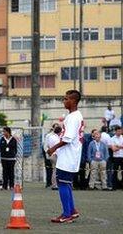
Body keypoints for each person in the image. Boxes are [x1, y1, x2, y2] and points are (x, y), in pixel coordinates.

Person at [47, 90, 84, 223]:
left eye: (66, 98)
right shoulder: (74, 115)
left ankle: (66, 214)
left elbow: (67, 139)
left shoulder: (73, 117)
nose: (64, 101)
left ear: (73, 101)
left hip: (69, 157)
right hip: (70, 156)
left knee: (62, 184)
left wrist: (53, 148)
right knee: (66, 184)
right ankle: (72, 210)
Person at [44, 124, 62, 190]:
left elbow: (47, 145)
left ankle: (54, 184)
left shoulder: (51, 137)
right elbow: (58, 148)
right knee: (56, 170)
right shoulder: (57, 138)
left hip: (51, 154)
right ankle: (55, 184)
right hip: (55, 155)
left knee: (54, 170)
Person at [110, 126, 123, 190]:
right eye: (118, 131)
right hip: (116, 157)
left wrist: (117, 146)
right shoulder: (112, 139)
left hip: (122, 156)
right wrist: (121, 147)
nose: (120, 132)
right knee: (115, 172)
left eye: (120, 131)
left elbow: (116, 147)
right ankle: (114, 186)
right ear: (115, 131)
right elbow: (114, 149)